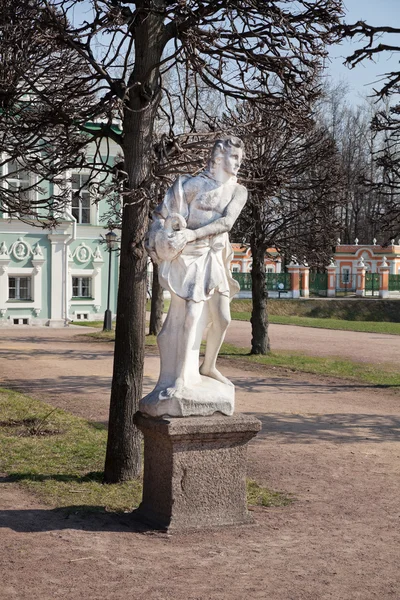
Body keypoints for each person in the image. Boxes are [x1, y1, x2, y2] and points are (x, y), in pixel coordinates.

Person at [145, 136, 247, 403]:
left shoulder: (238, 191)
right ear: (217, 158)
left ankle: (209, 366)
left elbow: (226, 222)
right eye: (234, 157)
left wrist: (191, 235)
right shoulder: (189, 185)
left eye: (240, 157)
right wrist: (168, 234)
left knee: (223, 318)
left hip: (214, 255)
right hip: (188, 259)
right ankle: (180, 378)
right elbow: (162, 218)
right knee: (190, 316)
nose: (239, 162)